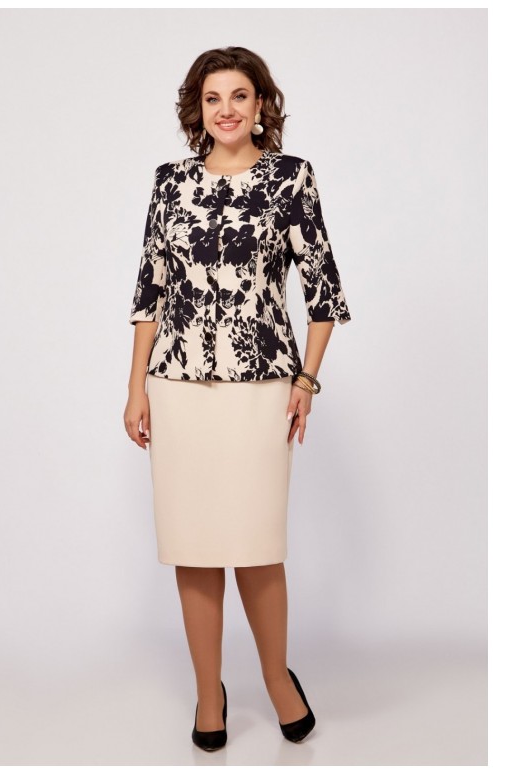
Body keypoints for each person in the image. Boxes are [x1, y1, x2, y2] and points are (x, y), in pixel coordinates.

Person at [123, 46, 351, 752]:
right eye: (213, 97)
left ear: (261, 106)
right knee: (193, 544)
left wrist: (306, 382)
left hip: (261, 388)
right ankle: (207, 693)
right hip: (177, 386)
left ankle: (277, 679)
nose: (226, 109)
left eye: (240, 96)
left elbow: (324, 292)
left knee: (255, 543)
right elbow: (150, 290)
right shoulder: (170, 183)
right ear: (197, 109)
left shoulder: (290, 178)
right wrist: (135, 387)